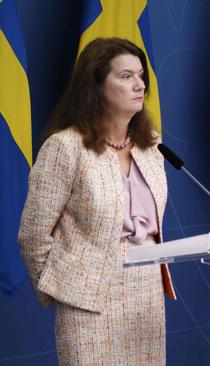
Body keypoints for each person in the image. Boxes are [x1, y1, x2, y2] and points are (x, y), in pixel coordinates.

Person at [18, 38, 175, 365]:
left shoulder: (152, 147)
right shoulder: (65, 147)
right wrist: (66, 288)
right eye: (126, 76)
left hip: (146, 293)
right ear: (96, 84)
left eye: (141, 76)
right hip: (87, 299)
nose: (140, 85)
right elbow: (33, 233)